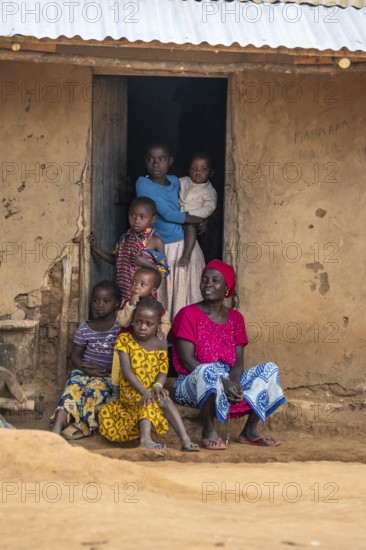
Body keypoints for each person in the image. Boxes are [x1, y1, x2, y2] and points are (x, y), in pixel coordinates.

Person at [172, 259, 286, 450]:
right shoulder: (188, 314)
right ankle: (208, 430)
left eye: (215, 280)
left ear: (226, 288)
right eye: (204, 279)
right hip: (192, 382)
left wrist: (233, 384)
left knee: (270, 369)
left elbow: (238, 362)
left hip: (226, 380)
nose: (208, 284)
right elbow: (187, 360)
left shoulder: (236, 319)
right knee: (206, 370)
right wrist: (223, 383)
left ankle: (249, 430)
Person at [98, 298, 199, 451]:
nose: (142, 327)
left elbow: (163, 371)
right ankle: (145, 440)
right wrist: (144, 391)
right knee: (148, 401)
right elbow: (126, 372)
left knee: (164, 398)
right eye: (138, 322)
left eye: (149, 324)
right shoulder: (125, 340)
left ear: (158, 325)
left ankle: (185, 439)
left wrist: (158, 385)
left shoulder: (161, 343)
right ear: (132, 321)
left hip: (151, 388)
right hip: (132, 390)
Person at [136, 143, 205, 320]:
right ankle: (163, 340)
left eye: (162, 159)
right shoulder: (143, 184)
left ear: (170, 161)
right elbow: (167, 213)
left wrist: (202, 217)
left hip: (185, 248)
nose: (156, 164)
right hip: (161, 249)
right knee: (162, 295)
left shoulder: (177, 181)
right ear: (145, 161)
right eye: (151, 159)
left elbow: (195, 199)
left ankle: (186, 339)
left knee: (185, 296)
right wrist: (198, 220)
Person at [51, 280, 121, 439]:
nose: (100, 305)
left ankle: (82, 426)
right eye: (96, 300)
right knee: (72, 387)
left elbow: (123, 359)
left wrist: (106, 369)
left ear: (116, 303)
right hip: (84, 370)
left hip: (107, 375)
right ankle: (57, 425)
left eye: (106, 301)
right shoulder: (85, 327)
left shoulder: (120, 328)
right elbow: (75, 355)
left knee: (93, 391)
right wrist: (85, 369)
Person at [88, 197, 169, 302]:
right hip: (122, 291)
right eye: (132, 215)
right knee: (124, 316)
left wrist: (145, 263)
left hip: (143, 296)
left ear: (152, 219)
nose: (136, 221)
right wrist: (95, 248)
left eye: (142, 217)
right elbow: (116, 260)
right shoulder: (125, 238)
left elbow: (164, 271)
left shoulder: (155, 241)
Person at [178, 152, 217, 267]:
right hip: (178, 216)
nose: (198, 172)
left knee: (190, 229)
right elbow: (170, 184)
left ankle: (186, 255)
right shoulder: (184, 181)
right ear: (188, 170)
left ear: (211, 173)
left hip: (193, 219)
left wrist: (190, 215)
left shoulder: (209, 191)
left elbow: (209, 208)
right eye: (194, 168)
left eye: (203, 169)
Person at [117, 266, 171, 339]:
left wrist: (163, 331)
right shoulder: (127, 303)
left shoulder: (155, 307)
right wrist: (131, 305)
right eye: (134, 282)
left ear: (153, 291)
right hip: (127, 342)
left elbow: (165, 322)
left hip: (147, 343)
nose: (136, 287)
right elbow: (123, 322)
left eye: (142, 284)